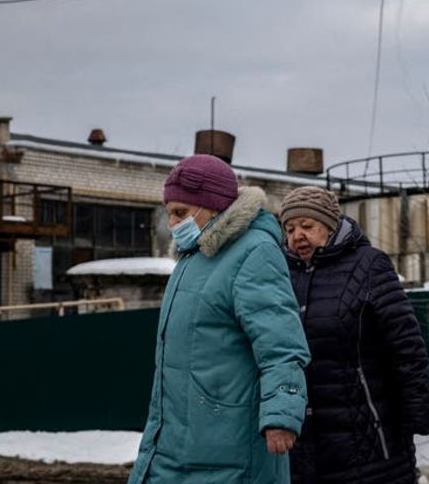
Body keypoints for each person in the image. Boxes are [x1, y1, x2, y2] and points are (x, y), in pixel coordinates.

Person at [129, 155, 311, 484]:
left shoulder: (254, 253)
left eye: (181, 213)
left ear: (212, 207)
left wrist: (281, 415)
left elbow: (282, 344)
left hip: (229, 450)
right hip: (178, 443)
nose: (172, 224)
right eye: (169, 213)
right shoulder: (193, 259)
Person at [280, 186, 429, 484]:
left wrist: (416, 412)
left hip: (369, 436)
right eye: (290, 228)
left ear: (329, 225)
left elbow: (405, 345)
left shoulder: (369, 265)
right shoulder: (280, 274)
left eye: (307, 226)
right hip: (304, 446)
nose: (298, 234)